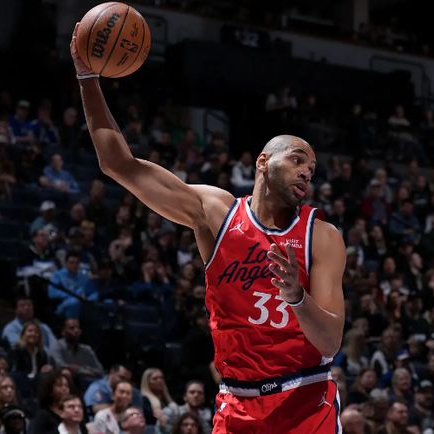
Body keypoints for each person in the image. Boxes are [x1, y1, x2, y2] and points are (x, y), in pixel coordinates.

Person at [71, 27, 346, 434]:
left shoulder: (321, 235)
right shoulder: (215, 213)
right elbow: (118, 164)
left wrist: (296, 297)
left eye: (312, 168)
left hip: (305, 400)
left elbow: (330, 342)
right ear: (263, 162)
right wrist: (87, 77)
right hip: (237, 405)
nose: (307, 170)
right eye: (297, 159)